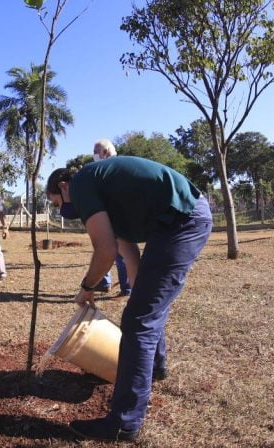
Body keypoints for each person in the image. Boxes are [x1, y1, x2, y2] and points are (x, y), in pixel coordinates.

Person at [46, 156, 212, 442]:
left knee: (139, 322)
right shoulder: (107, 196)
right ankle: (154, 370)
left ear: (64, 185)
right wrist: (139, 292)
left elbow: (105, 250)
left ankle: (124, 424)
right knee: (143, 314)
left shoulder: (83, 182)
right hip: (177, 222)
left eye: (58, 203)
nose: (64, 211)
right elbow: (128, 255)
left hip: (182, 221)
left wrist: (87, 286)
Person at [93, 139, 131, 297]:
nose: (94, 156)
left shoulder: (116, 167)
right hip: (107, 216)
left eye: (96, 153)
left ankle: (127, 287)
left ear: (105, 152)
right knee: (104, 249)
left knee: (122, 253)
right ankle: (104, 283)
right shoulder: (107, 168)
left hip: (119, 216)